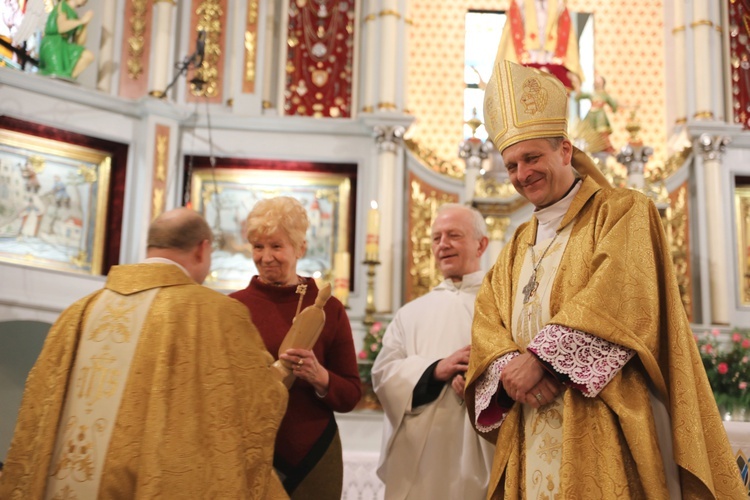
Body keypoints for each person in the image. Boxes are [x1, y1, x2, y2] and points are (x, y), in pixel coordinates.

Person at [466, 59, 746, 499]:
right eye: (512, 165)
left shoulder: (623, 211)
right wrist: (508, 368)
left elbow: (622, 295)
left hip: (600, 426)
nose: (522, 174)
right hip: (529, 425)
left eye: (532, 157)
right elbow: (488, 319)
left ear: (565, 150)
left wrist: (539, 360)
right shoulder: (518, 243)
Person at [0, 208, 289, 499]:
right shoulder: (216, 314)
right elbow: (256, 402)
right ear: (203, 249)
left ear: (150, 247)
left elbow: (37, 411)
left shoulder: (78, 313)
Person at [230, 196, 361, 499]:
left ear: (300, 248)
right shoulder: (233, 307)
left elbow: (351, 393)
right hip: (249, 450)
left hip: (314, 454)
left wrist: (319, 376)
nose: (265, 257)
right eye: (258, 246)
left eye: (276, 246)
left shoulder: (330, 308)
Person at [371, 203, 495, 500]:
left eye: (454, 235)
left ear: (481, 244)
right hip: (419, 458)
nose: (443, 245)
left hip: (481, 449)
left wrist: (484, 383)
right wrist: (434, 370)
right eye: (437, 238)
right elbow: (384, 375)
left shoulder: (501, 304)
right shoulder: (410, 314)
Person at [495, 0, 583, 89]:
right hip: (528, 55)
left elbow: (565, 31)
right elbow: (514, 29)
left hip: (551, 56)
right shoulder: (520, 2)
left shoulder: (559, 3)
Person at [39, 0, 94, 79]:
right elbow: (61, 27)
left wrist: (85, 24)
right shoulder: (62, 5)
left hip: (64, 45)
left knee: (88, 56)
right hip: (52, 43)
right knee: (56, 74)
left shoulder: (75, 15)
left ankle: (68, 78)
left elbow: (79, 43)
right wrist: (81, 21)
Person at [575, 74, 618, 153]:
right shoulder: (592, 93)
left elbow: (613, 104)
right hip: (591, 114)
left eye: (599, 80)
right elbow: (580, 96)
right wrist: (577, 83)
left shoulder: (605, 94)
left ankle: (605, 147)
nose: (597, 82)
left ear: (602, 83)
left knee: (602, 131)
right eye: (596, 80)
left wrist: (615, 107)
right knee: (586, 130)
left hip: (600, 116)